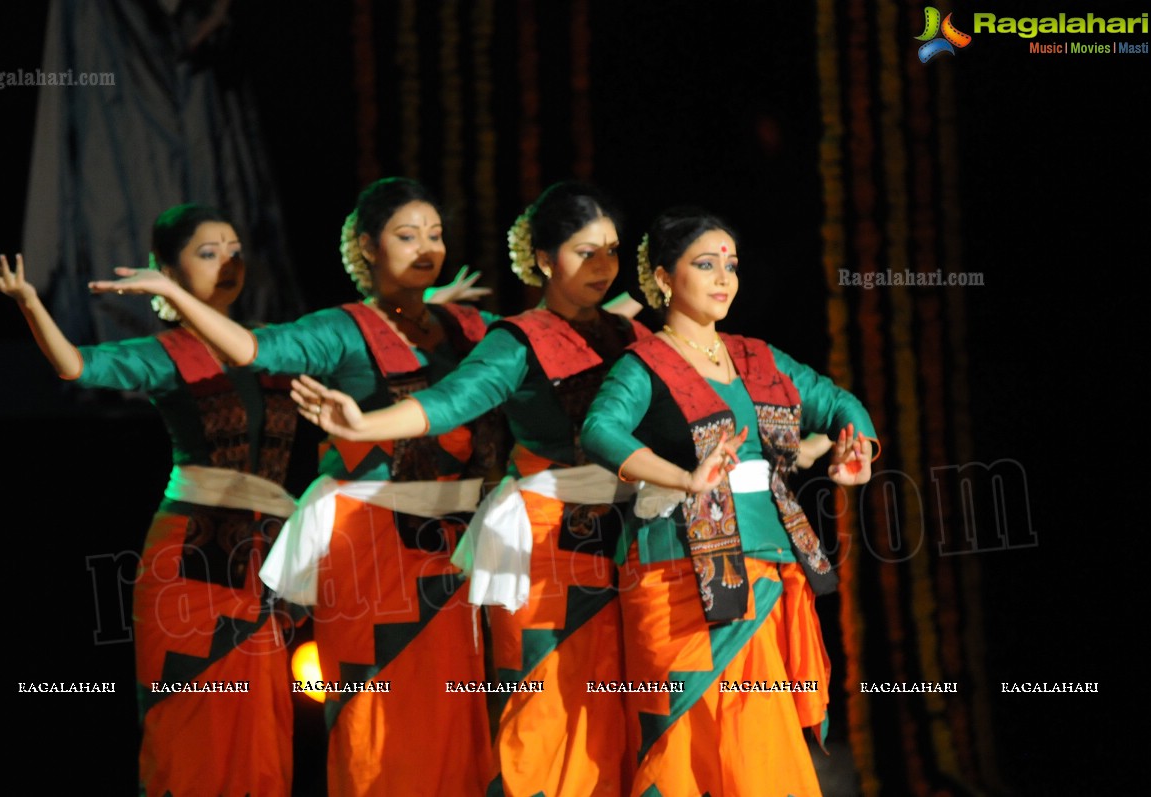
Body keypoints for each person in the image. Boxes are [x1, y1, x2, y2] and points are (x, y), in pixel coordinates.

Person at [96, 177, 500, 796]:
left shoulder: (469, 329)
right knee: (379, 719)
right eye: (406, 234)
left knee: (454, 721)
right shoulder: (339, 330)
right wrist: (171, 295)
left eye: (435, 234)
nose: (426, 245)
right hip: (364, 547)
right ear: (367, 246)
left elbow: (548, 344)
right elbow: (256, 349)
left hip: (450, 548)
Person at [291, 181, 649, 796]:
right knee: (543, 717)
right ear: (541, 258)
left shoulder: (630, 339)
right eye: (584, 251)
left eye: (611, 252)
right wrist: (366, 422)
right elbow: (451, 400)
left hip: (621, 542)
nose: (602, 266)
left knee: (610, 721)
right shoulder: (516, 339)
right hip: (541, 544)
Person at [0, 203, 299, 796]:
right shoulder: (169, 352)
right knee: (194, 729)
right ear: (167, 273)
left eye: (234, 250)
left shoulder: (272, 348)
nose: (227, 262)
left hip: (264, 560)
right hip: (193, 561)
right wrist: (29, 302)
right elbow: (76, 366)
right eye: (207, 252)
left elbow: (356, 345)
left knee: (260, 729)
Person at [578, 206, 879, 797]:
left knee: (759, 750)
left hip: (763, 567)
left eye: (731, 266)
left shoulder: (756, 359)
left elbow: (838, 402)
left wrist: (858, 448)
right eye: (705, 264)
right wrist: (685, 478)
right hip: (677, 574)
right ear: (663, 278)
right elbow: (598, 431)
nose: (723, 278)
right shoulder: (644, 364)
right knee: (683, 749)